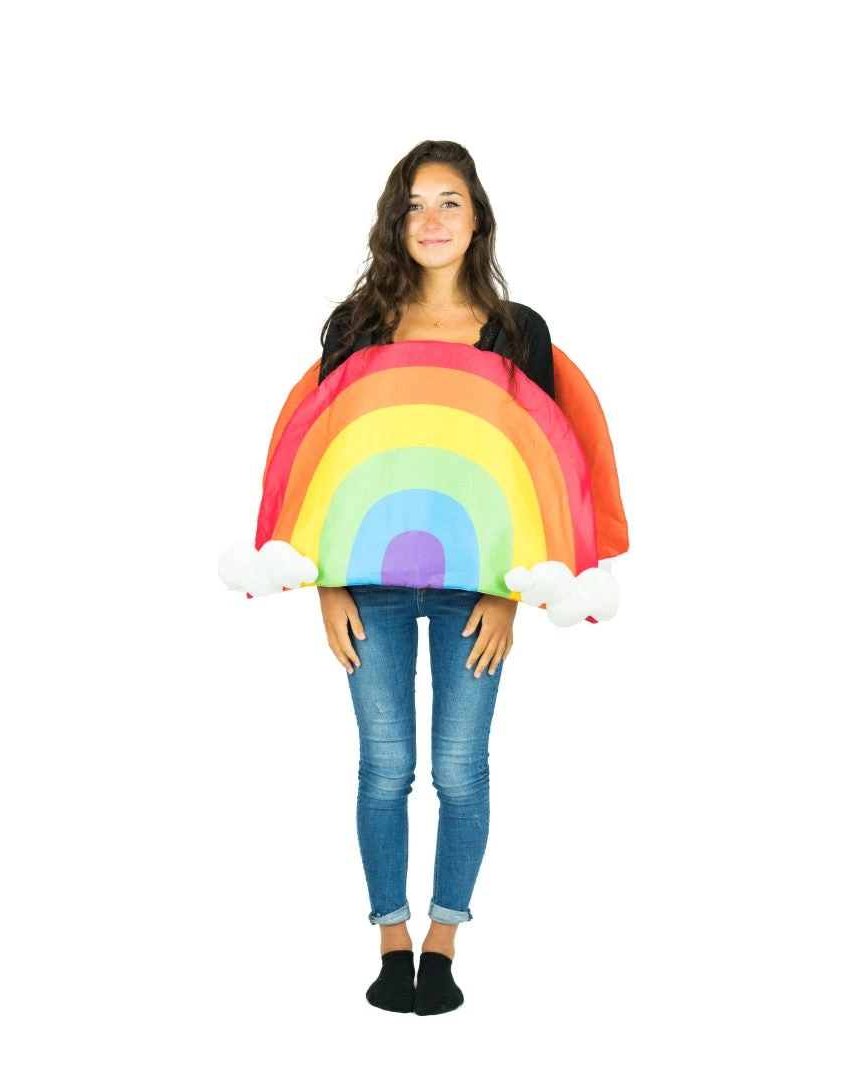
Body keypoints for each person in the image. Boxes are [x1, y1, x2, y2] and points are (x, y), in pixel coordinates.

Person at [316, 140, 558, 1015]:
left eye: (449, 201)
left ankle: (444, 942)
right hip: (367, 579)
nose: (432, 219)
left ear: (478, 216)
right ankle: (391, 940)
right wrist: (326, 586)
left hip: (476, 583)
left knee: (460, 769)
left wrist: (507, 592)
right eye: (414, 204)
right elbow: (324, 459)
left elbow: (540, 468)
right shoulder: (355, 325)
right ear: (395, 221)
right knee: (385, 766)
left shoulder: (519, 331)